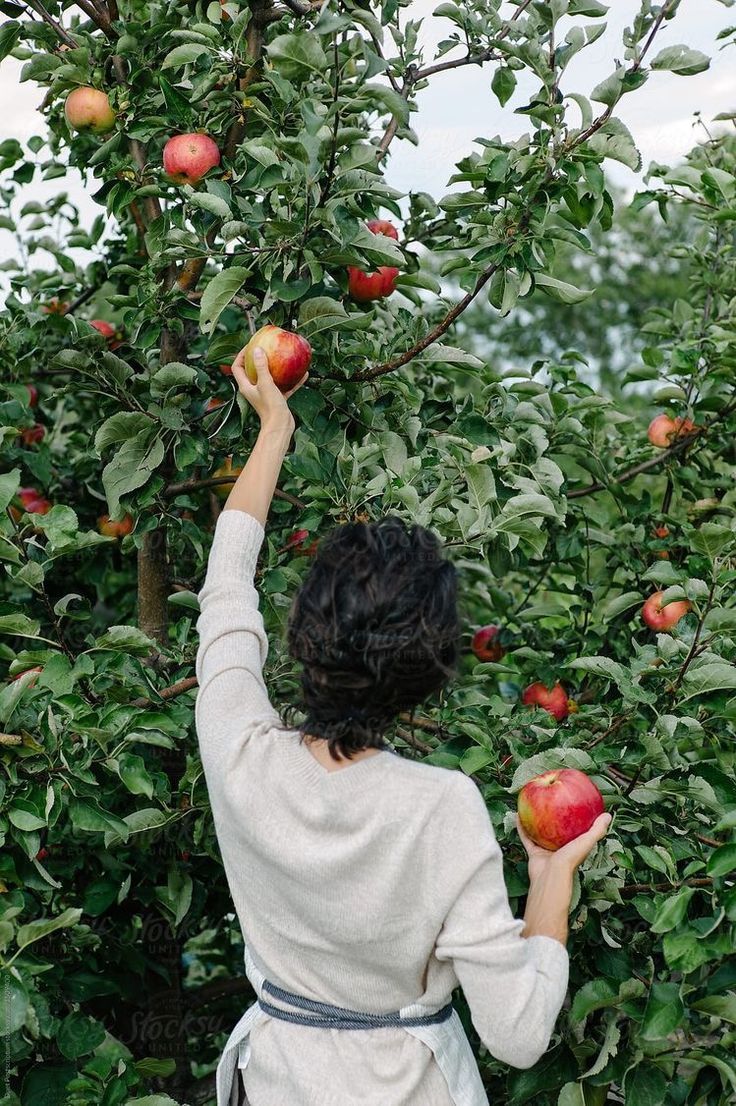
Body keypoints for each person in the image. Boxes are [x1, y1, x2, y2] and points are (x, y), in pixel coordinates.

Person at [194, 344, 612, 1106]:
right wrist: (552, 879)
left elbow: (226, 584)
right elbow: (516, 1036)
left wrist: (273, 429)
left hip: (276, 1081)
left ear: (302, 632)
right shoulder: (440, 806)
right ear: (430, 677)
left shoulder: (237, 751)